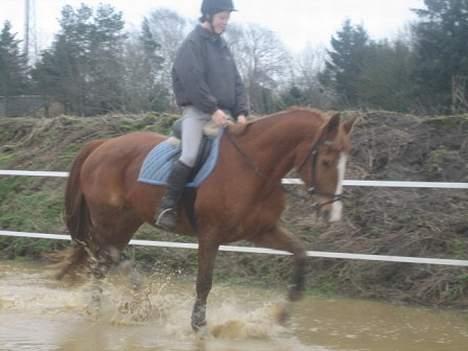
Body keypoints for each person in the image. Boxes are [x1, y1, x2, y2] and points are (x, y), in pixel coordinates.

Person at [154, 0, 249, 230]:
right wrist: (212, 110)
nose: (225, 23)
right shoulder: (192, 44)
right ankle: (167, 206)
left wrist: (242, 112)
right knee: (189, 155)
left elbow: (236, 81)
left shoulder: (222, 46)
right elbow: (193, 82)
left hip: (224, 114)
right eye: (222, 18)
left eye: (227, 18)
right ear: (207, 15)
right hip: (198, 111)